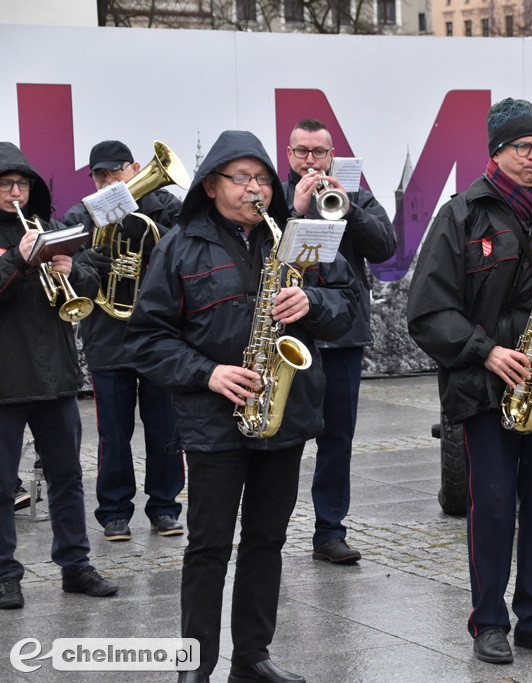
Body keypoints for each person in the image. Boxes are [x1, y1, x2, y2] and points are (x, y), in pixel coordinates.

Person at [125, 130, 358, 683]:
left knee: (266, 541)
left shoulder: (299, 236)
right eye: (241, 178)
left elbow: (348, 306)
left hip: (284, 412)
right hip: (214, 417)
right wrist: (208, 372)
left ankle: (252, 656)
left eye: (262, 179)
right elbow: (147, 338)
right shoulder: (178, 245)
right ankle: (195, 664)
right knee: (208, 546)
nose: (255, 189)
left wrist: (312, 300)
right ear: (211, 185)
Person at [407, 98, 532, 664]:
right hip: (485, 385)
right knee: (492, 507)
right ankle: (489, 621)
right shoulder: (461, 215)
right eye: (524, 147)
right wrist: (487, 352)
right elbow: (427, 310)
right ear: (496, 153)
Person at [0, 142, 118, 609]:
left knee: (67, 476)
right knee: (1, 485)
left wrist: (73, 269)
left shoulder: (49, 228)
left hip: (57, 377)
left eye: (22, 184)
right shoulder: (24, 240)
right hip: (5, 380)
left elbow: (88, 279)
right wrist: (18, 259)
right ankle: (5, 574)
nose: (16, 192)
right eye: (6, 184)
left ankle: (76, 564)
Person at [284, 118, 396, 565]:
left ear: (332, 157)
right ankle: (270, 531)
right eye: (302, 151)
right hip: (291, 336)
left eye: (319, 152)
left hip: (343, 336)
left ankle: (329, 532)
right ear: (289, 155)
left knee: (337, 439)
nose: (310, 160)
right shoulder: (273, 196)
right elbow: (263, 254)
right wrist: (294, 212)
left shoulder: (356, 196)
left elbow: (385, 247)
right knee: (284, 438)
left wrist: (349, 208)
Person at [64, 140, 185, 542]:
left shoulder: (165, 207)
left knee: (165, 428)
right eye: (99, 174)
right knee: (113, 434)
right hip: (107, 338)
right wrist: (81, 262)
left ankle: (165, 507)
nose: (107, 180)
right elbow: (61, 264)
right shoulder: (81, 214)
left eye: (114, 171)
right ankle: (114, 512)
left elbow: (188, 251)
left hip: (160, 336)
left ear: (134, 168)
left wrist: (151, 240)